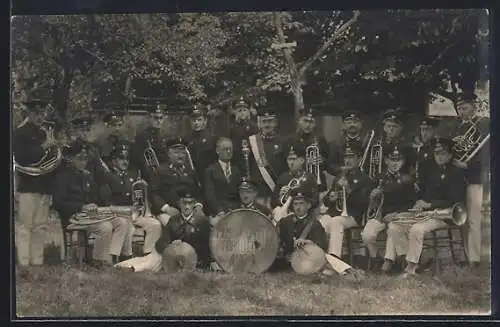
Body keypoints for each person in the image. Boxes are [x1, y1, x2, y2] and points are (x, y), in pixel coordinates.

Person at [382, 138, 467, 276]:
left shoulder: (457, 172)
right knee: (394, 226)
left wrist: (429, 204)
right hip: (428, 212)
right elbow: (423, 192)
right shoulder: (431, 171)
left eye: (443, 153)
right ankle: (407, 259)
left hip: (445, 214)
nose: (439, 156)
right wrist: (419, 201)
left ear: (451, 155)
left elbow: (455, 199)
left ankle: (411, 268)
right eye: (437, 153)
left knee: (417, 229)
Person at [52, 139, 133, 267]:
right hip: (73, 216)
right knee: (105, 227)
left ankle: (114, 259)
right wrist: (81, 206)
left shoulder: (86, 176)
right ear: (71, 158)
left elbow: (94, 197)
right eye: (80, 158)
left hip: (90, 215)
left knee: (122, 222)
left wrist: (98, 205)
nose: (83, 162)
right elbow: (58, 203)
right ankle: (99, 261)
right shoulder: (62, 177)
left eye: (85, 159)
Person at [14, 99, 64, 266]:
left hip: (43, 185)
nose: (39, 116)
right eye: (36, 112)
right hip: (28, 185)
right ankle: (24, 262)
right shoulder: (19, 133)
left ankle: (37, 261)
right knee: (25, 226)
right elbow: (22, 158)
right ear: (29, 113)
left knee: (40, 226)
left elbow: (51, 161)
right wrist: (44, 146)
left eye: (41, 112)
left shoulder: (43, 133)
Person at [361, 146, 416, 270]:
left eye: (399, 160)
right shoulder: (378, 178)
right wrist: (371, 196)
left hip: (399, 216)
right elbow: (366, 202)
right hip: (380, 215)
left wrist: (396, 214)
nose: (396, 163)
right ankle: (377, 258)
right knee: (367, 235)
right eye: (392, 160)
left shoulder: (407, 179)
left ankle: (390, 262)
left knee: (393, 228)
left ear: (403, 161)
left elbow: (411, 203)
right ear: (386, 161)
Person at [451, 92, 490, 268]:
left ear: (473, 107)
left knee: (474, 218)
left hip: (475, 177)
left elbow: (487, 154)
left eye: (464, 108)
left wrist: (469, 166)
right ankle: (467, 255)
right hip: (459, 179)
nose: (461, 112)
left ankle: (474, 258)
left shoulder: (483, 124)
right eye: (459, 109)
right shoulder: (459, 128)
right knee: (462, 218)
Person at [104, 140, 162, 257]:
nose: (125, 162)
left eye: (126, 159)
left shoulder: (133, 175)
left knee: (155, 225)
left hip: (134, 214)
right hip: (118, 214)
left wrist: (141, 205)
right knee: (128, 228)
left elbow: (139, 197)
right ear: (114, 161)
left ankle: (148, 254)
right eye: (121, 159)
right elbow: (107, 202)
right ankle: (122, 257)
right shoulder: (108, 177)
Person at [319, 144, 373, 260]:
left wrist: (348, 190)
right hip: (335, 213)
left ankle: (334, 260)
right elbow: (326, 201)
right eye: (346, 157)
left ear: (359, 159)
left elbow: (362, 204)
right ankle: (318, 258)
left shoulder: (365, 179)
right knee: (321, 223)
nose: (347, 160)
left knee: (336, 222)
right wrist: (331, 197)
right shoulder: (340, 177)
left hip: (353, 215)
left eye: (351, 157)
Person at [155, 188, 215, 270]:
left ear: (194, 204)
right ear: (179, 203)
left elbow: (206, 247)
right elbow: (160, 244)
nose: (187, 207)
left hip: (197, 263)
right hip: (175, 262)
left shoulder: (202, 221)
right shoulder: (173, 220)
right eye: (184, 203)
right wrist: (172, 245)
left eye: (190, 203)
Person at [149, 137, 203, 227]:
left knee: (202, 222)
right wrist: (166, 208)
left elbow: (198, 191)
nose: (180, 156)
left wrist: (198, 206)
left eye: (182, 152)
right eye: (176, 152)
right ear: (169, 154)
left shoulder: (190, 171)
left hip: (189, 209)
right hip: (168, 211)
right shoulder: (161, 170)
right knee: (176, 226)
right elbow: (153, 194)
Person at [275, 188, 328, 266]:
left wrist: (309, 243)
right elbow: (278, 241)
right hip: (288, 260)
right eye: (295, 204)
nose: (298, 207)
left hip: (307, 260)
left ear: (309, 205)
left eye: (301, 203)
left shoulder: (315, 224)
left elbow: (322, 245)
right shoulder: (285, 222)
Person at [247, 108, 287, 207]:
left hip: (277, 191)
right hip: (258, 192)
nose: (267, 125)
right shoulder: (252, 142)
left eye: (270, 121)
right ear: (259, 124)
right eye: (264, 121)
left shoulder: (283, 141)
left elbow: (286, 167)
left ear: (275, 123)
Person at [286, 107, 329, 193]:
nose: (308, 125)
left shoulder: (320, 139)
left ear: (315, 124)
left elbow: (328, 162)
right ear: (299, 121)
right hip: (297, 182)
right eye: (305, 121)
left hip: (317, 183)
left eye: (311, 122)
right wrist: (306, 161)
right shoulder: (290, 140)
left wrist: (322, 160)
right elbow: (286, 164)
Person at [204, 137, 242, 224]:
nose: (229, 152)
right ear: (217, 151)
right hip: (217, 212)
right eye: (225, 149)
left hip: (235, 211)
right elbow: (210, 195)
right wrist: (219, 211)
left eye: (230, 149)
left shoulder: (236, 170)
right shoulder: (210, 170)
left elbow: (239, 194)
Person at [272, 143, 318, 209]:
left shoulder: (310, 177)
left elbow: (315, 201)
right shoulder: (282, 177)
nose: (291, 162)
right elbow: (273, 202)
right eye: (289, 159)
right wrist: (280, 198)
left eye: (294, 159)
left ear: (302, 160)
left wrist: (296, 197)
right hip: (286, 213)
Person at [328, 110, 371, 177]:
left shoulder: (367, 143)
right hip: (342, 180)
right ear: (343, 125)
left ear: (361, 124)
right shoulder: (336, 144)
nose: (352, 125)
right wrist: (342, 169)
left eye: (355, 122)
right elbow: (330, 167)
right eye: (349, 122)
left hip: (363, 181)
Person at [131, 105, 168, 182]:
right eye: (155, 118)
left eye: (161, 118)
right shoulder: (142, 136)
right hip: (150, 176)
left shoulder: (165, 136)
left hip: (166, 174)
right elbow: (138, 159)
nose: (158, 121)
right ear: (149, 118)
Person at [186, 105, 217, 189]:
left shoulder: (212, 138)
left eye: (199, 120)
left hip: (209, 178)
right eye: (193, 120)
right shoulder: (187, 139)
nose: (196, 123)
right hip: (191, 178)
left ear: (205, 121)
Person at [229, 97, 259, 174]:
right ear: (235, 112)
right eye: (239, 110)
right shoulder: (231, 127)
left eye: (245, 110)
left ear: (249, 112)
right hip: (236, 161)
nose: (242, 113)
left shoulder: (253, 126)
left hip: (252, 161)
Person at [411, 117, 439, 190]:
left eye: (428, 130)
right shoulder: (416, 147)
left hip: (433, 187)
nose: (424, 133)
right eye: (422, 130)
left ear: (434, 130)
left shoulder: (439, 147)